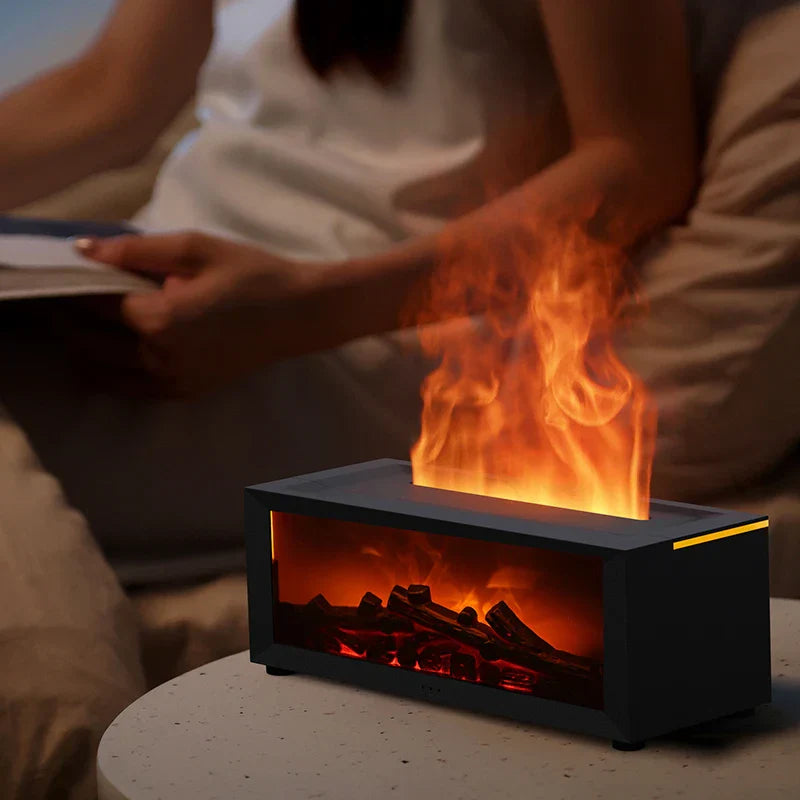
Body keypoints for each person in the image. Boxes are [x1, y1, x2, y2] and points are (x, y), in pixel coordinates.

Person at [1, 1, 798, 797]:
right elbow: (108, 94)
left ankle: (59, 740)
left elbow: (634, 156)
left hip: (366, 326)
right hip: (159, 293)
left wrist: (303, 308)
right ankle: (59, 728)